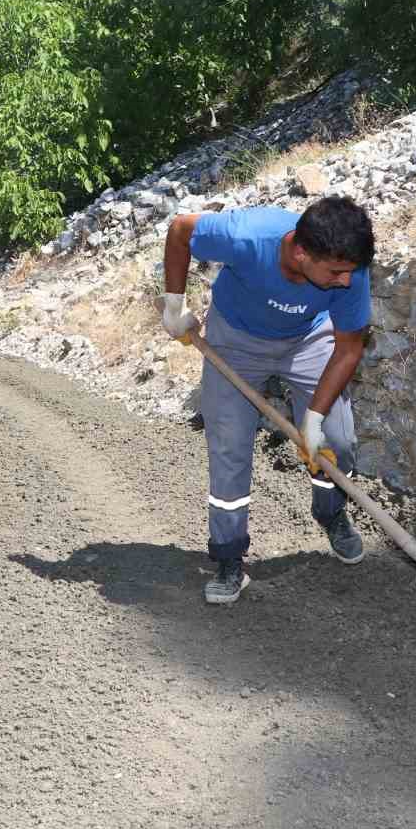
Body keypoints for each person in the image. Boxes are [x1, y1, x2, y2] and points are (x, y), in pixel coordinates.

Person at [159, 196, 376, 604]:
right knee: (229, 450)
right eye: (336, 272)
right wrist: (174, 305)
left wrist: (313, 420)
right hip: (236, 341)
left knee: (335, 440)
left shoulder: (351, 271)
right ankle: (228, 557)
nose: (345, 281)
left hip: (309, 339)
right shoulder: (247, 237)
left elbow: (348, 349)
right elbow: (180, 230)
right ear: (300, 251)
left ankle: (330, 512)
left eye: (349, 273)